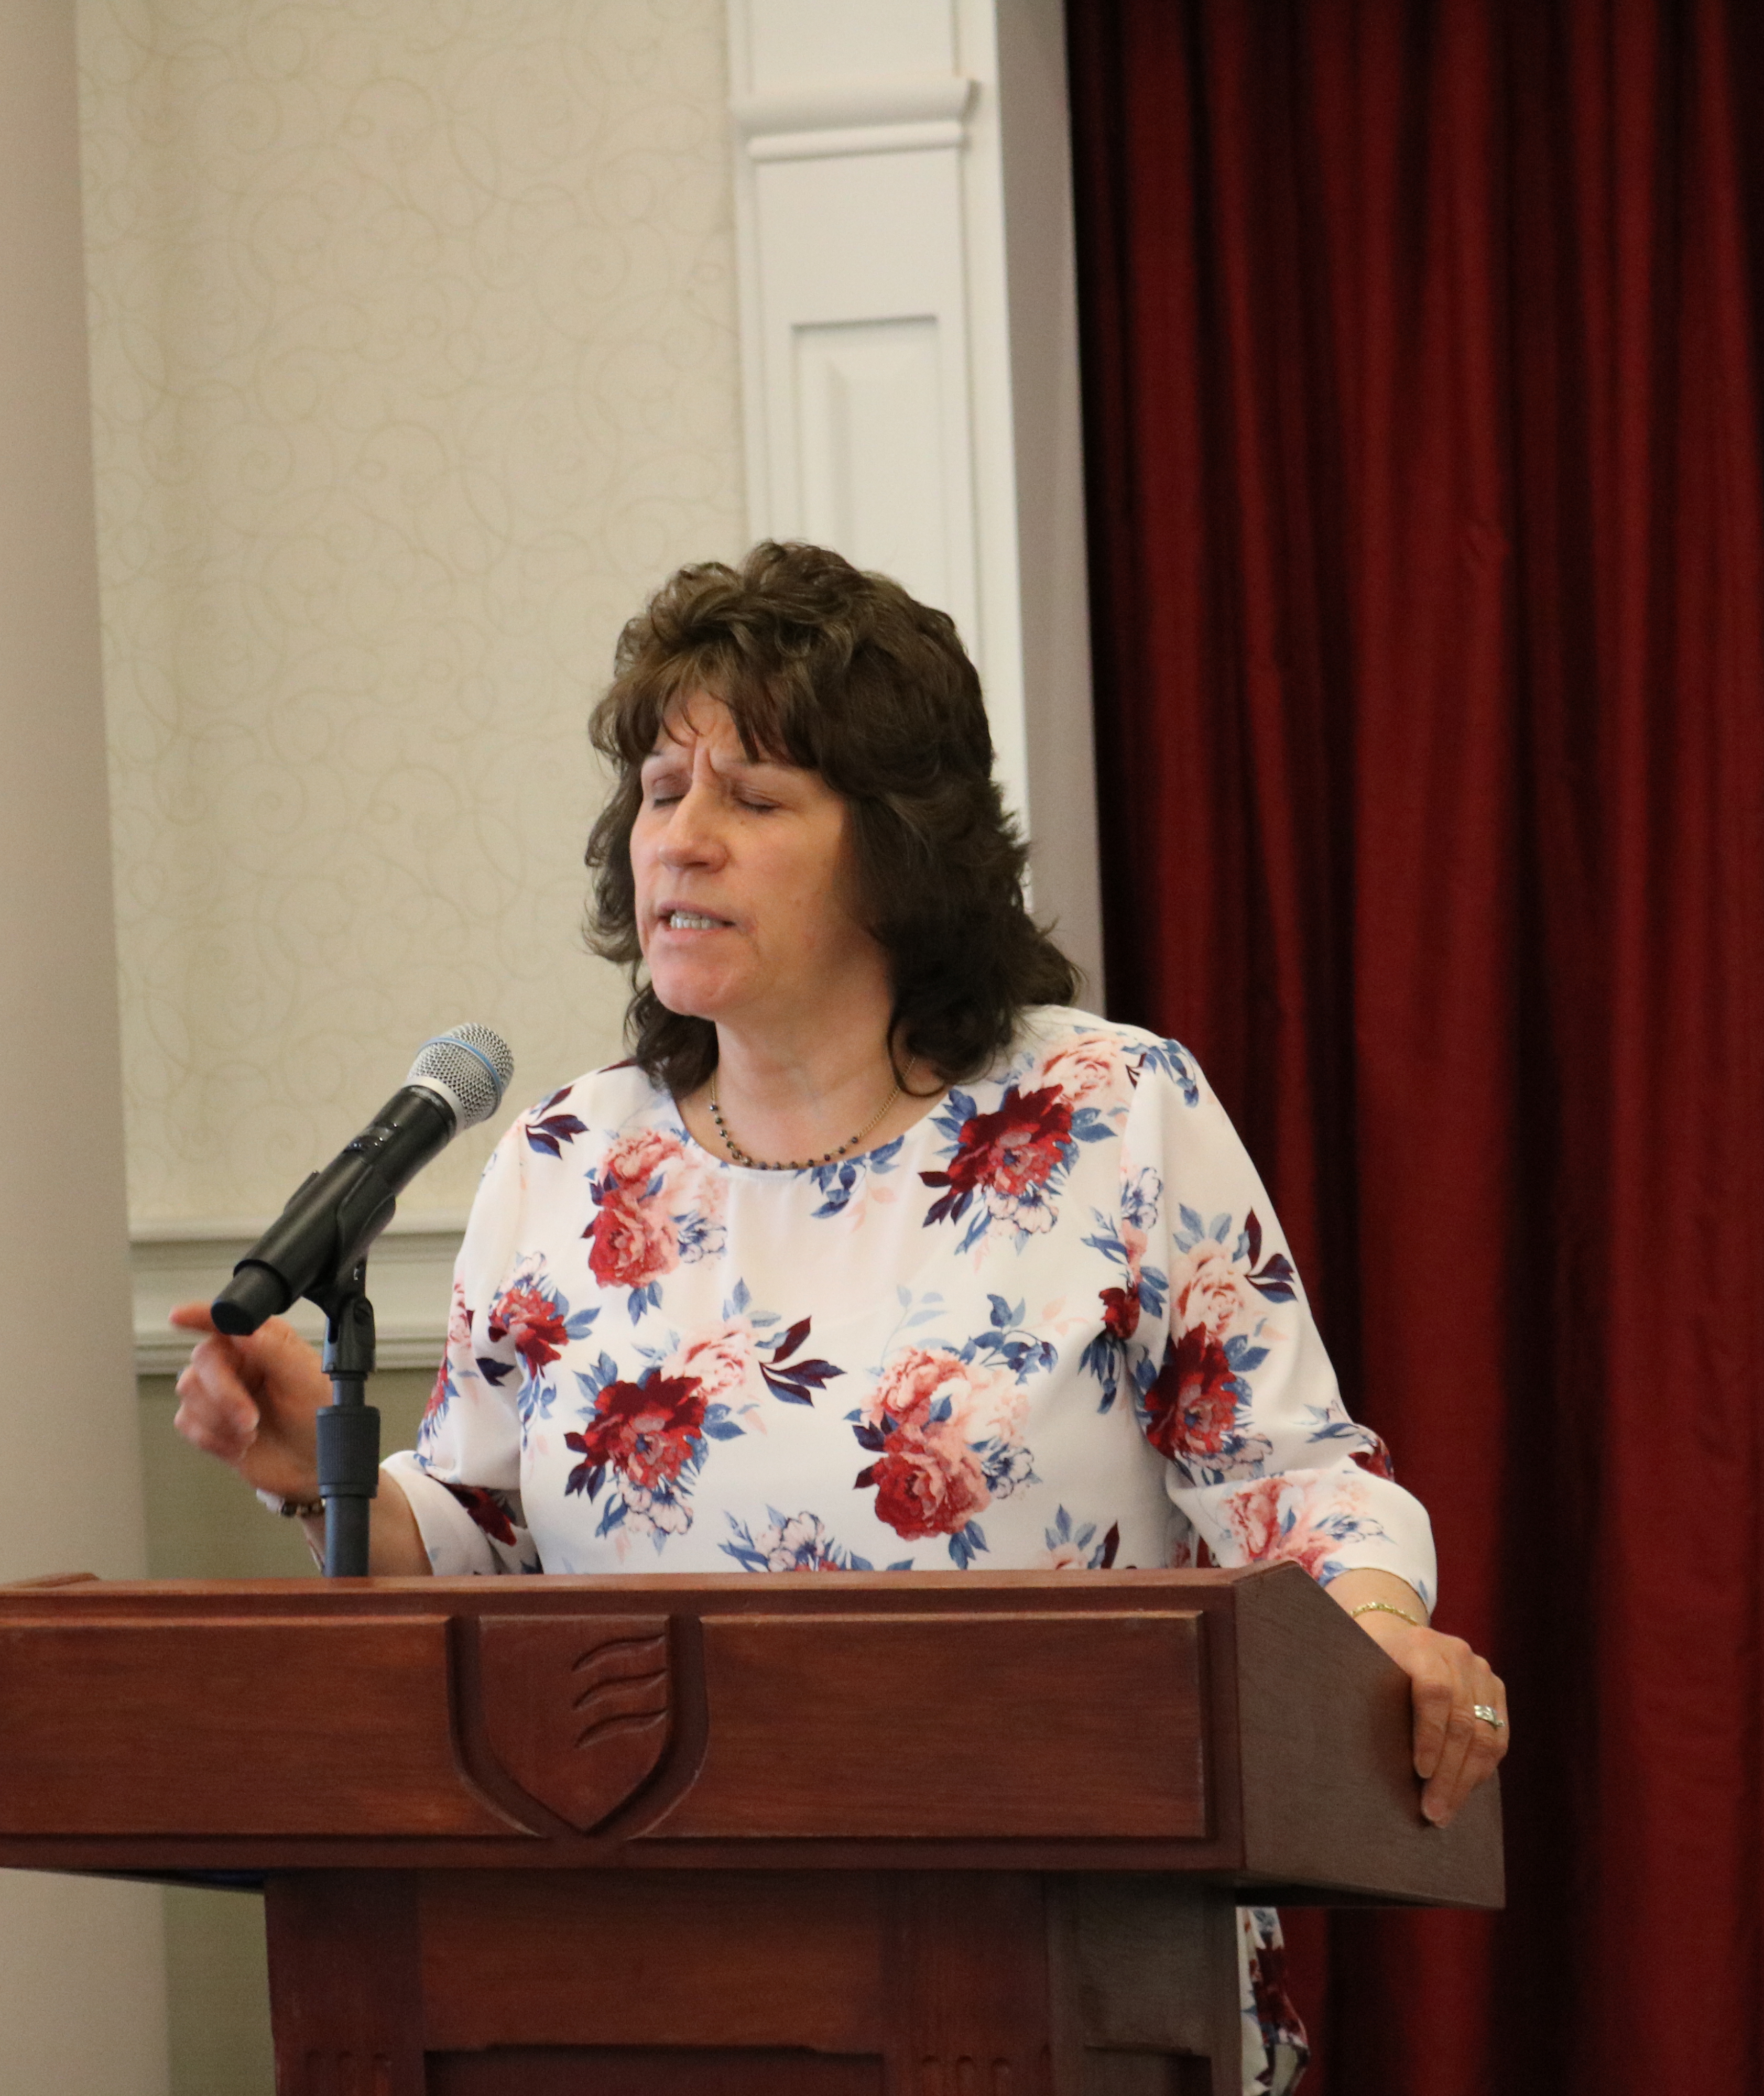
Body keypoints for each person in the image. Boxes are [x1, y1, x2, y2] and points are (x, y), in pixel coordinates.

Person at [172, 542, 1510, 2094]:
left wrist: (1387, 1640)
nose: (681, 840)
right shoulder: (563, 1158)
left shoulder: (1112, 1115)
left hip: (1067, 1972)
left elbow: (1293, 1488)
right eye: (663, 789)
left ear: (897, 850)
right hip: (627, 1989)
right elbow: (484, 1530)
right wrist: (304, 1455)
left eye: (754, 799)